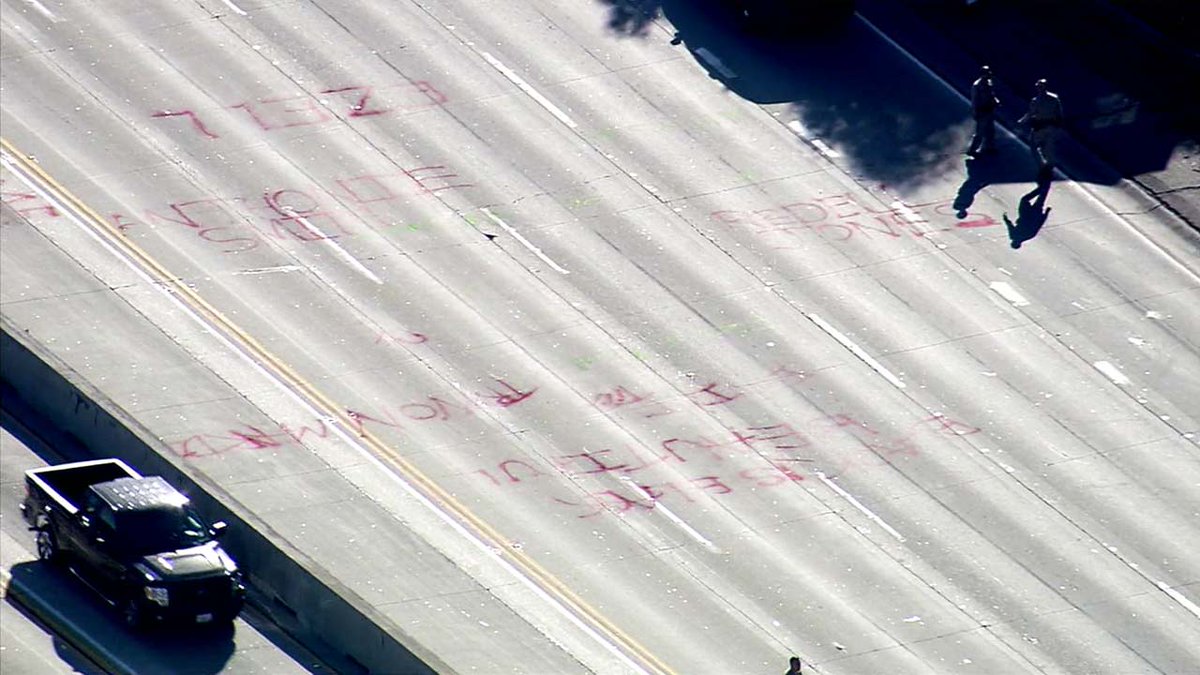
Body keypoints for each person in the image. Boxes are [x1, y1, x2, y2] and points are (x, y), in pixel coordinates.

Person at [1019, 79, 1064, 179]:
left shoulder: (1036, 101)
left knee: (1034, 146)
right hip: (1051, 126)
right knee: (1049, 149)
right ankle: (1049, 168)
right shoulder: (1054, 98)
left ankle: (1042, 166)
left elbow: (1030, 114)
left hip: (1040, 127)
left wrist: (1022, 121)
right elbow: (1059, 113)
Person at [966, 65, 999, 157]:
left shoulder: (989, 82)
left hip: (989, 110)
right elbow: (974, 100)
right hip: (982, 111)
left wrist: (995, 101)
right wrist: (975, 112)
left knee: (990, 130)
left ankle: (989, 147)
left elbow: (991, 94)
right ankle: (972, 149)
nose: (989, 74)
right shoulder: (977, 86)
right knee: (980, 132)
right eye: (987, 73)